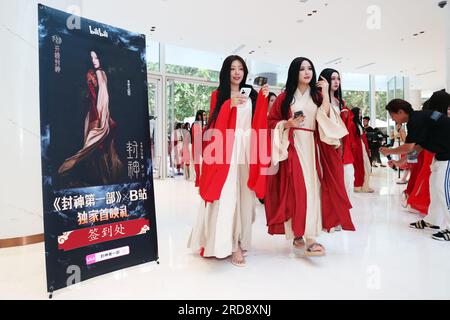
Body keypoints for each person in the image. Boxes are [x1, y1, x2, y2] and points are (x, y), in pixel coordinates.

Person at [265, 58, 354, 257]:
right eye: (302, 69)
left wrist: (324, 96)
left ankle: (310, 236)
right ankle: (301, 233)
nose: (307, 72)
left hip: (314, 147)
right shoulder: (285, 97)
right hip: (293, 146)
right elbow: (271, 122)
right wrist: (287, 124)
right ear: (294, 72)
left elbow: (328, 119)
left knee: (313, 189)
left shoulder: (316, 95)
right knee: (298, 189)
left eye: (310, 68)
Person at [188, 55, 270, 266]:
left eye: (240, 68)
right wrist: (229, 105)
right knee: (227, 195)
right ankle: (230, 245)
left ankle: (240, 239)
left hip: (246, 151)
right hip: (225, 151)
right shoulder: (219, 95)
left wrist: (263, 100)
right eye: (233, 68)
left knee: (244, 196)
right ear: (226, 71)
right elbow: (214, 124)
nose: (237, 72)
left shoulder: (250, 94)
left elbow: (258, 122)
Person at [380, 99, 450, 242]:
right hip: (440, 156)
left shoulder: (416, 120)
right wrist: (400, 162)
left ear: (400, 112)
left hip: (448, 156)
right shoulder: (418, 119)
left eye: (392, 115)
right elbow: (418, 147)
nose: (393, 119)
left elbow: (409, 147)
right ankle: (433, 220)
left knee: (443, 191)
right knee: (435, 188)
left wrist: (389, 151)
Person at [58, 50, 123, 185]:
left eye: (92, 78)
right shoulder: (91, 91)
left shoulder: (101, 78)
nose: (91, 80)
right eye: (89, 79)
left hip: (103, 120)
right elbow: (94, 100)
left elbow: (102, 92)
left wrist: (96, 65)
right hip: (97, 119)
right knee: (96, 155)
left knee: (102, 153)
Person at [319, 68, 355, 198]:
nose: (336, 81)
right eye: (333, 78)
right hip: (327, 145)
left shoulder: (341, 102)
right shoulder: (319, 99)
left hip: (343, 145)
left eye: (338, 78)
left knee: (348, 178)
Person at [350, 107, 374, 193]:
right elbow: (351, 138)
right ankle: (359, 186)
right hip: (357, 148)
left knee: (366, 166)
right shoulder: (352, 124)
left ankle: (364, 186)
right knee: (360, 167)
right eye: (359, 113)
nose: (360, 114)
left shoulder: (358, 124)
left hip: (362, 146)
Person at [191, 110, 207, 187]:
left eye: (205, 115)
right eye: (204, 115)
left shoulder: (201, 125)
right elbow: (197, 138)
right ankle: (199, 183)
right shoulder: (196, 125)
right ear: (199, 116)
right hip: (197, 149)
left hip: (202, 149)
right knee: (198, 167)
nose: (205, 116)